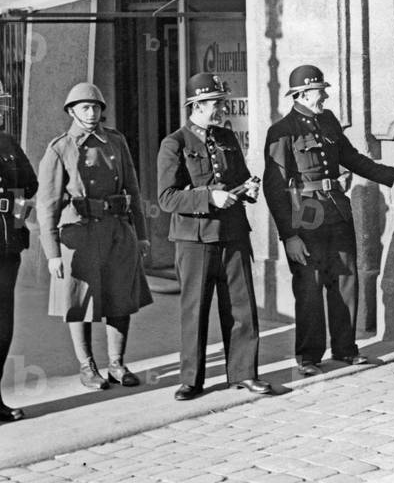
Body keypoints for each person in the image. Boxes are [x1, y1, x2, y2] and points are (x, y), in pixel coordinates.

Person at [263, 65, 394, 374]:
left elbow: (351, 158)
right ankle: (308, 357)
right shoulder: (282, 131)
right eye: (321, 90)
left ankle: (346, 349)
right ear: (302, 94)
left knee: (346, 279)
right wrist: (288, 235)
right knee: (309, 285)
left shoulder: (328, 120)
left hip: (337, 209)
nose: (326, 95)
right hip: (305, 212)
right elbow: (275, 188)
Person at [157, 72, 271, 400]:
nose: (221, 108)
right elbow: (166, 198)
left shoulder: (226, 137)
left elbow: (240, 177)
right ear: (196, 105)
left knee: (241, 305)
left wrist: (249, 188)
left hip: (233, 232)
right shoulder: (174, 143)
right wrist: (208, 196)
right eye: (214, 103)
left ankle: (244, 373)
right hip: (195, 239)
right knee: (195, 309)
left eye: (221, 102)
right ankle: (192, 379)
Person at [37, 83, 151, 391]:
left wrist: (141, 235)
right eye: (85, 107)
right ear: (72, 111)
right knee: (80, 299)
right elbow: (46, 203)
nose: (92, 113)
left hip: (116, 230)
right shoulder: (60, 148)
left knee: (120, 297)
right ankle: (87, 366)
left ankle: (116, 363)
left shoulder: (115, 141)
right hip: (79, 232)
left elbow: (133, 189)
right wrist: (52, 253)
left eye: (96, 107)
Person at [0, 80, 37, 421]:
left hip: (5, 247)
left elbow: (30, 182)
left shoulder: (7, 142)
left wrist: (16, 213)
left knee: (2, 327)